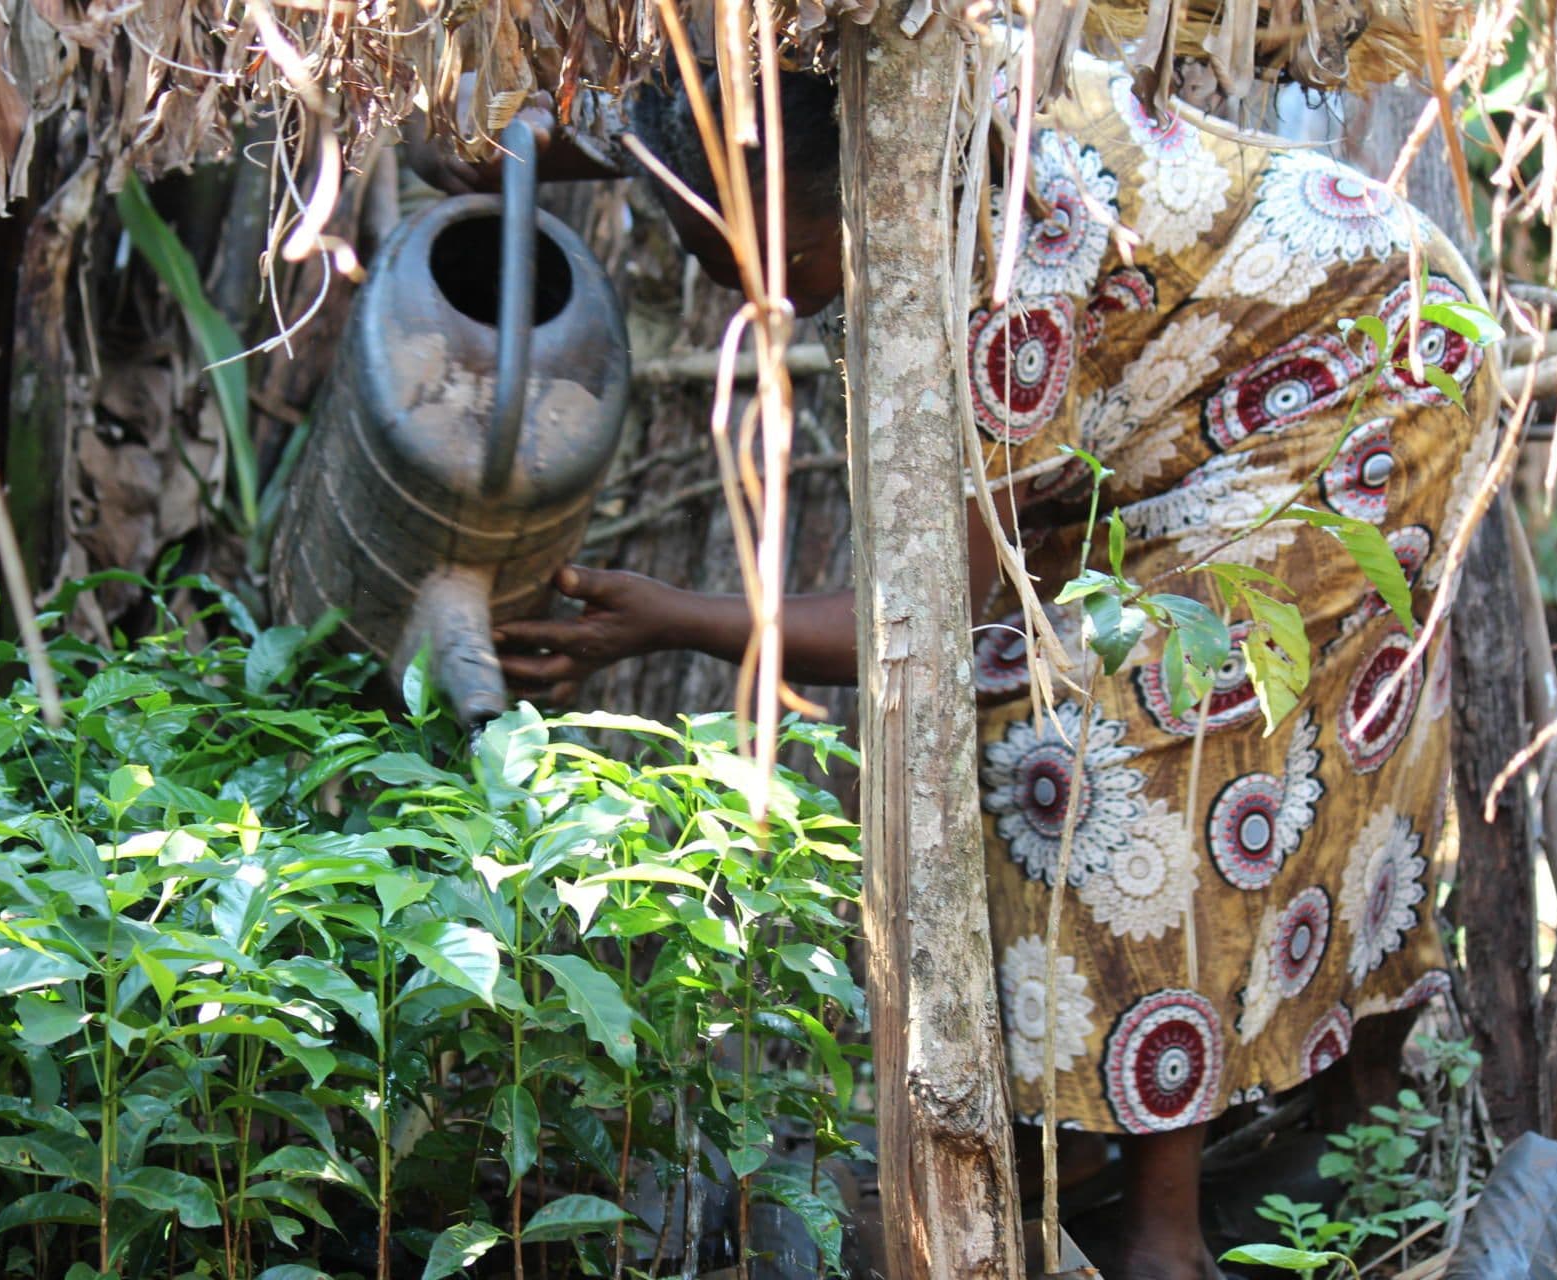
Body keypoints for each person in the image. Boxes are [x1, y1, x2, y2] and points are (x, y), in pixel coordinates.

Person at [426, 35, 1498, 1280]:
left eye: (766, 262)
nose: (750, 300)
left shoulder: (1006, 281)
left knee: (1121, 747)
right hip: (1224, 377)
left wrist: (680, 617)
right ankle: (1274, 1134)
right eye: (710, 261)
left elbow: (934, 627)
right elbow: (693, 134)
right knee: (1117, 718)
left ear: (834, 204)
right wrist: (531, 156)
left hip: (1372, 376)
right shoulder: (883, 91)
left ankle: (1169, 1233)